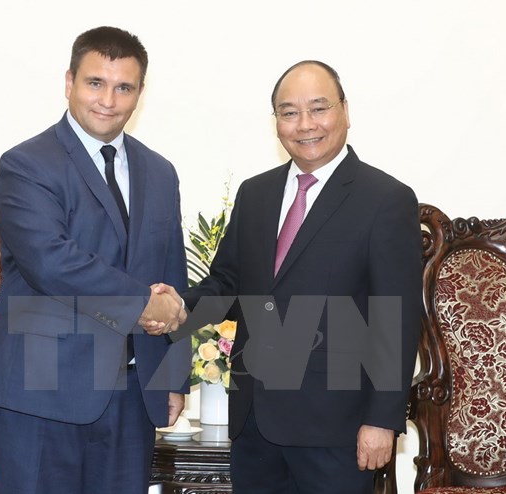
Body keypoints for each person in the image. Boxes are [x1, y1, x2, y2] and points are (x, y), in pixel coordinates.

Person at [155, 60, 423, 493]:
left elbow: (397, 318)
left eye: (318, 108)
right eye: (289, 112)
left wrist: (382, 419)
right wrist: (177, 308)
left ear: (345, 111)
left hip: (336, 431)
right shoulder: (255, 193)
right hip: (254, 424)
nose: (305, 124)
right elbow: (228, 284)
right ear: (276, 121)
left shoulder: (385, 200)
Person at [0, 26, 190, 494]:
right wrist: (143, 302)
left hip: (132, 396)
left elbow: (172, 273)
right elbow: (52, 262)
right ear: (69, 81)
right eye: (96, 83)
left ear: (139, 94)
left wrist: (174, 376)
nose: (108, 100)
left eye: (124, 87)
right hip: (41, 391)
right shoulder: (26, 164)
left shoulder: (160, 171)